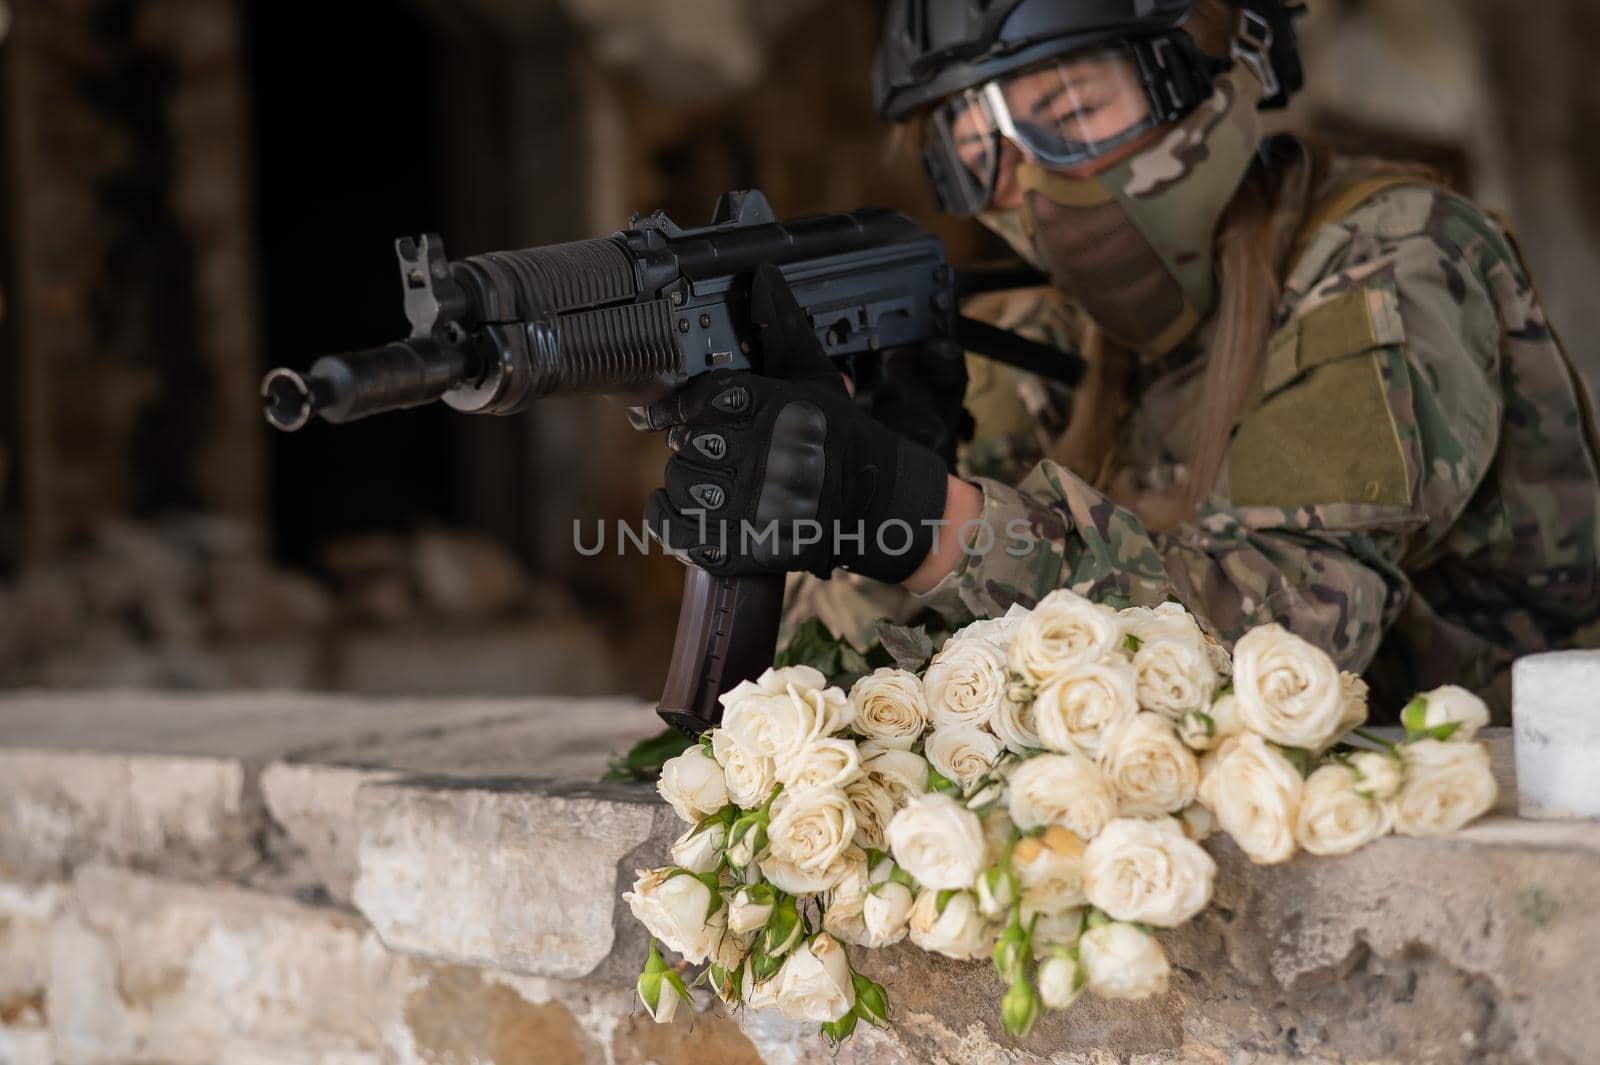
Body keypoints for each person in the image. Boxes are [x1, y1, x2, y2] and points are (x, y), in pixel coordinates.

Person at [643, 0, 1600, 717]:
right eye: (974, 152)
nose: (1027, 181)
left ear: (1207, 64)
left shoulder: (1396, 259)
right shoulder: (1054, 334)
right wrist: (859, 521)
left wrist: (922, 512)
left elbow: (1282, 651)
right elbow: (901, 691)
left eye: (1068, 109)